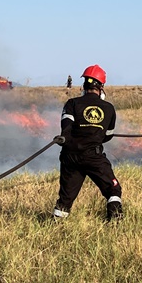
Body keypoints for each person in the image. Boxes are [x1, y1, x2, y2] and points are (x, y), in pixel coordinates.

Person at [52, 64, 123, 221]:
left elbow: (66, 127)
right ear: (101, 87)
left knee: (65, 199)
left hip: (70, 157)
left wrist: (65, 137)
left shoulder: (72, 103)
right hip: (93, 157)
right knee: (113, 190)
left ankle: (55, 226)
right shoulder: (109, 108)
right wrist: (95, 135)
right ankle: (116, 224)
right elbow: (108, 135)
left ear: (84, 85)